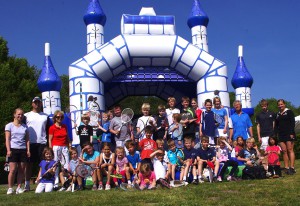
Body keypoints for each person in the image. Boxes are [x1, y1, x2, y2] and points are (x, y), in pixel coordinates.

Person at [23, 96, 50, 192]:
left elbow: (48, 130)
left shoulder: (45, 116)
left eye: (39, 102)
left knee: (42, 164)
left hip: (42, 142)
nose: (37, 104)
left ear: (41, 104)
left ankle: (41, 182)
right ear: (32, 104)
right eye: (35, 102)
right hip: (30, 143)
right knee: (28, 164)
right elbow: (22, 129)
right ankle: (26, 184)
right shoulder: (26, 115)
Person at [5, 108, 30, 195]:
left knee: (21, 170)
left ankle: (19, 187)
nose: (20, 116)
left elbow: (27, 140)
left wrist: (28, 150)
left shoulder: (25, 127)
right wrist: (8, 150)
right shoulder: (9, 126)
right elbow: (7, 139)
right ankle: (10, 188)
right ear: (14, 115)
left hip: (23, 150)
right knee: (12, 170)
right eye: (18, 114)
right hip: (13, 150)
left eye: (22, 114)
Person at [48, 110, 71, 189]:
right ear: (55, 118)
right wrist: (50, 149)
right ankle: (56, 183)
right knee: (56, 165)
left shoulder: (64, 126)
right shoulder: (52, 127)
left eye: (61, 117)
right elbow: (50, 139)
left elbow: (67, 137)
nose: (60, 118)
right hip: (56, 147)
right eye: (58, 117)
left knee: (66, 165)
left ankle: (66, 182)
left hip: (64, 147)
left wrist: (69, 146)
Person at [274, 99, 296, 175]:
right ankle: (286, 167)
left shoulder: (289, 112)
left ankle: (292, 167)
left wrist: (291, 132)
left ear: (284, 104)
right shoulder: (277, 114)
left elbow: (293, 122)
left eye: (281, 104)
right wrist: (275, 134)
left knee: (290, 149)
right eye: (279, 105)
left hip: (289, 133)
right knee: (284, 151)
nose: (280, 106)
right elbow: (276, 126)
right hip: (281, 134)